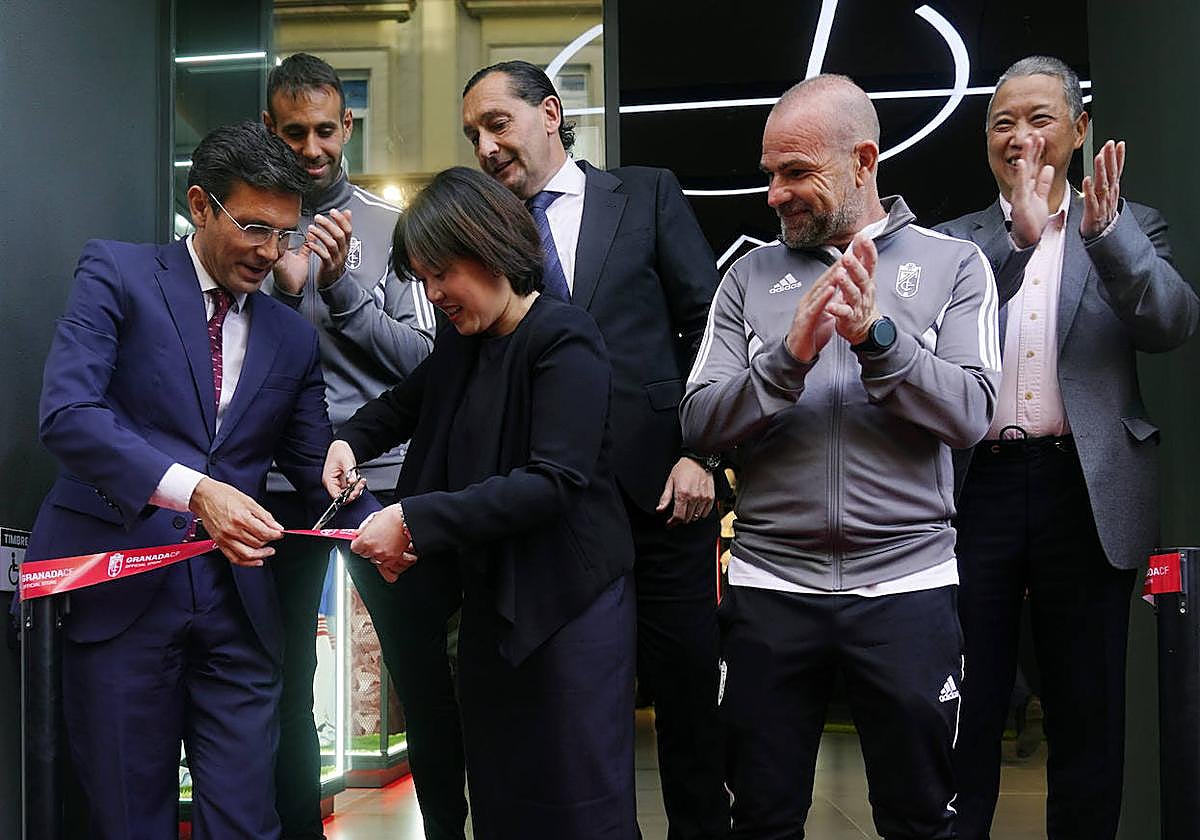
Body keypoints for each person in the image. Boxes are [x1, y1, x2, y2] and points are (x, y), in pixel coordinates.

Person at [25, 121, 374, 839]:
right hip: (121, 595)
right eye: (252, 227)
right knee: (129, 819)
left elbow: (316, 475)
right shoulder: (117, 274)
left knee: (249, 821)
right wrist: (196, 491)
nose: (270, 251)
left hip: (239, 611)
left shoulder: (291, 337)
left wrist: (362, 501)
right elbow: (68, 415)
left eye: (284, 233)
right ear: (200, 204)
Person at [681, 74, 1001, 839]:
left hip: (909, 584)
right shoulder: (746, 278)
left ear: (863, 161)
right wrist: (785, 359)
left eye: (796, 173)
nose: (775, 193)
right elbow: (699, 421)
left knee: (921, 815)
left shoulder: (954, 264)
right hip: (770, 585)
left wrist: (877, 340)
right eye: (770, 174)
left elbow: (972, 414)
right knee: (759, 816)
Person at [322, 166, 637, 839]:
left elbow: (552, 481)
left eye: (443, 273)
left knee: (577, 800)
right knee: (502, 795)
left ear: (490, 246)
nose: (434, 294)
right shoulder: (464, 345)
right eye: (423, 279)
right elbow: (402, 406)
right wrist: (348, 441)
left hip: (566, 609)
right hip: (492, 606)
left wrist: (413, 519)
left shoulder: (564, 340)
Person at [935, 55, 1199, 840]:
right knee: (964, 700)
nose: (1020, 137)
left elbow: (1170, 322)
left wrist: (1105, 236)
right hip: (974, 489)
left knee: (1087, 709)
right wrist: (1018, 244)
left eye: (1040, 118)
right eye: (1002, 123)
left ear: (1080, 130)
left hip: (1084, 488)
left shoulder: (1130, 225)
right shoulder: (954, 244)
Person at [461, 60, 727, 838]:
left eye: (497, 124)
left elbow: (710, 326)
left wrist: (702, 454)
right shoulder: (492, 232)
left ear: (550, 112)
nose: (484, 146)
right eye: (473, 134)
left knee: (685, 708)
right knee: (576, 716)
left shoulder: (643, 194)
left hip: (661, 499)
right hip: (552, 518)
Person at [259, 52, 451, 840]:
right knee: (279, 687)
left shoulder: (391, 226)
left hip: (380, 483)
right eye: (294, 131)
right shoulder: (250, 226)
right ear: (272, 129)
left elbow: (428, 364)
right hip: (274, 486)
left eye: (325, 130)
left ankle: (448, 827)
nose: (311, 148)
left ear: (349, 126)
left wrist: (343, 294)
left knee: (422, 677)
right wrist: (284, 286)